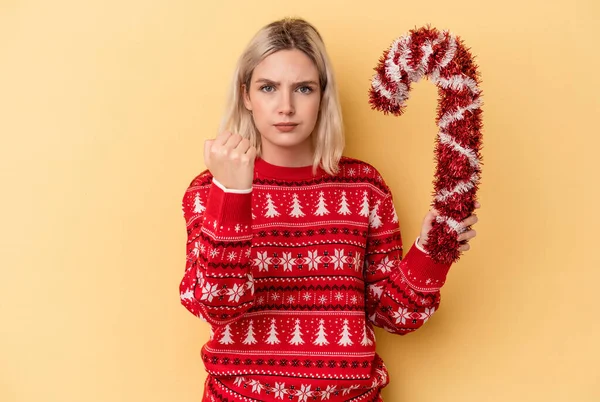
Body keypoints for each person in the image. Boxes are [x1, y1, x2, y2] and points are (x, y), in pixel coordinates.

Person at [179, 17, 479, 402]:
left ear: (323, 95)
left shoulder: (364, 187)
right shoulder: (209, 190)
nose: (285, 107)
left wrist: (430, 252)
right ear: (246, 96)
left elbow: (393, 316)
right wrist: (233, 192)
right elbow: (217, 305)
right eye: (268, 87)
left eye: (303, 88)